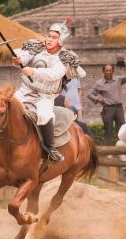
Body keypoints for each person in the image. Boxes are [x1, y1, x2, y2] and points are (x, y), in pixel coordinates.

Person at [13, 22, 86, 162]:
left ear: (61, 40)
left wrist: (33, 71)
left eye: (54, 37)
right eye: (48, 36)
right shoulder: (37, 47)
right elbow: (23, 55)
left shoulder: (65, 57)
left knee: (44, 115)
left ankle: (50, 148)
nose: (49, 39)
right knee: (5, 104)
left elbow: (54, 74)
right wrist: (18, 60)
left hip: (45, 97)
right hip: (25, 91)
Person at [88, 63, 126, 145]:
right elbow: (89, 94)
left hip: (119, 108)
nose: (108, 72)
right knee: (108, 131)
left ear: (113, 71)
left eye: (110, 70)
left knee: (122, 130)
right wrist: (97, 99)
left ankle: (122, 149)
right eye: (106, 70)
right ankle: (109, 152)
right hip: (108, 109)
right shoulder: (99, 83)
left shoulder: (118, 80)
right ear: (103, 71)